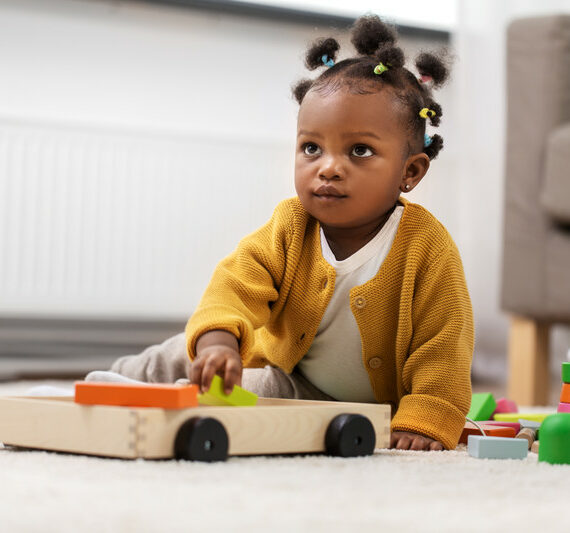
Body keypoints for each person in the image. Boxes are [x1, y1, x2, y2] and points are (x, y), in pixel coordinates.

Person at [106, 15, 473, 451]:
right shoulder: (290, 225)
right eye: (311, 148)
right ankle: (112, 385)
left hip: (331, 400)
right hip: (280, 360)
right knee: (183, 355)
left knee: (253, 392)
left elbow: (445, 341)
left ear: (409, 172)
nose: (328, 167)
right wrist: (219, 343)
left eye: (359, 151)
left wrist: (427, 415)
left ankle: (173, 398)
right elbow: (235, 285)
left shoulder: (425, 246)